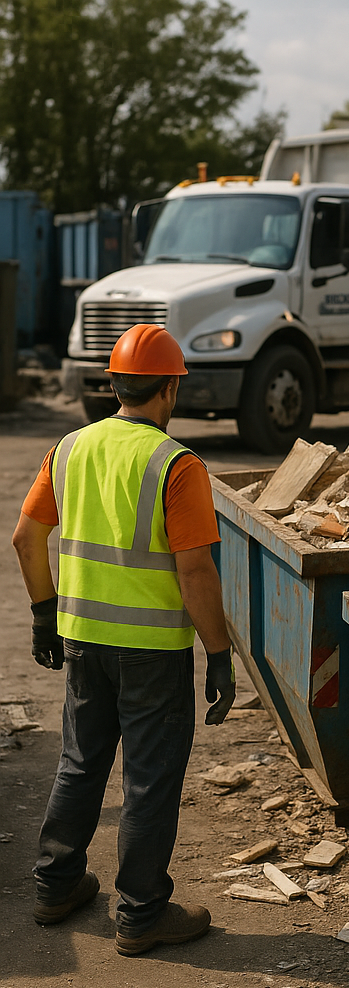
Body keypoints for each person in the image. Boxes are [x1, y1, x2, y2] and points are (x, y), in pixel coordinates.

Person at [11, 324, 236, 955]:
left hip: (82, 640)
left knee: (81, 762)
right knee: (150, 779)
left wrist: (42, 615)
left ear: (113, 386)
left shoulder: (71, 448)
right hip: (153, 655)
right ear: (169, 390)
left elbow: (26, 539)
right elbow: (195, 570)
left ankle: (56, 885)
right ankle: (141, 914)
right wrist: (218, 654)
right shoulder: (177, 464)